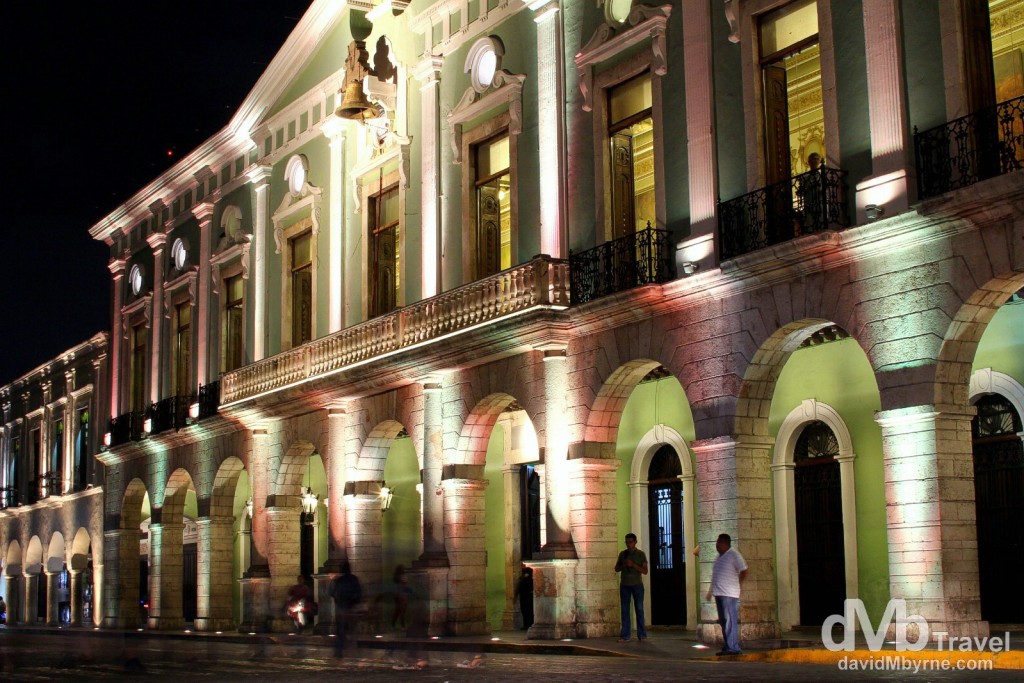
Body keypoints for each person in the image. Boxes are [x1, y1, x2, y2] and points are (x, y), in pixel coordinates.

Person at [708, 533, 748, 655]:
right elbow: (716, 575)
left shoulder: (734, 555)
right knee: (724, 621)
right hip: (719, 593)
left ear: (726, 543)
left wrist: (739, 584)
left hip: (729, 594)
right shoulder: (719, 557)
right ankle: (728, 645)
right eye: (717, 542)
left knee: (730, 620)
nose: (717, 545)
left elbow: (744, 570)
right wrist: (710, 592)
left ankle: (734, 647)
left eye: (719, 542)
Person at [614, 533, 648, 642]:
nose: (628, 545)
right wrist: (624, 565)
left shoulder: (641, 554)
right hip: (625, 585)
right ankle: (625, 635)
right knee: (625, 610)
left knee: (639, 609)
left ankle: (642, 635)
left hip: (637, 584)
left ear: (635, 542)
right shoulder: (622, 554)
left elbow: (645, 571)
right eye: (627, 542)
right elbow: (616, 568)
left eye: (631, 542)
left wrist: (633, 565)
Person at [328, 561, 363, 659]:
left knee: (340, 631)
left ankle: (338, 651)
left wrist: (337, 600)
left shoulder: (339, 580)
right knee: (353, 630)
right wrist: (356, 602)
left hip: (341, 608)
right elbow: (359, 593)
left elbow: (332, 592)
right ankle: (353, 651)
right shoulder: (354, 579)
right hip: (352, 608)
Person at [514, 565, 534, 630]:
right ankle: (527, 624)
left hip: (528, 597)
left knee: (528, 611)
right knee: (525, 611)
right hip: (524, 597)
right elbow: (518, 587)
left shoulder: (529, 578)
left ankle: (529, 624)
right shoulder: (523, 578)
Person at [391, 564, 410, 630]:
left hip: (401, 595)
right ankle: (403, 626)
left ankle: (393, 625)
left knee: (398, 611)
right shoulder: (401, 577)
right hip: (401, 595)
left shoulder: (398, 577)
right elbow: (403, 586)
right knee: (401, 612)